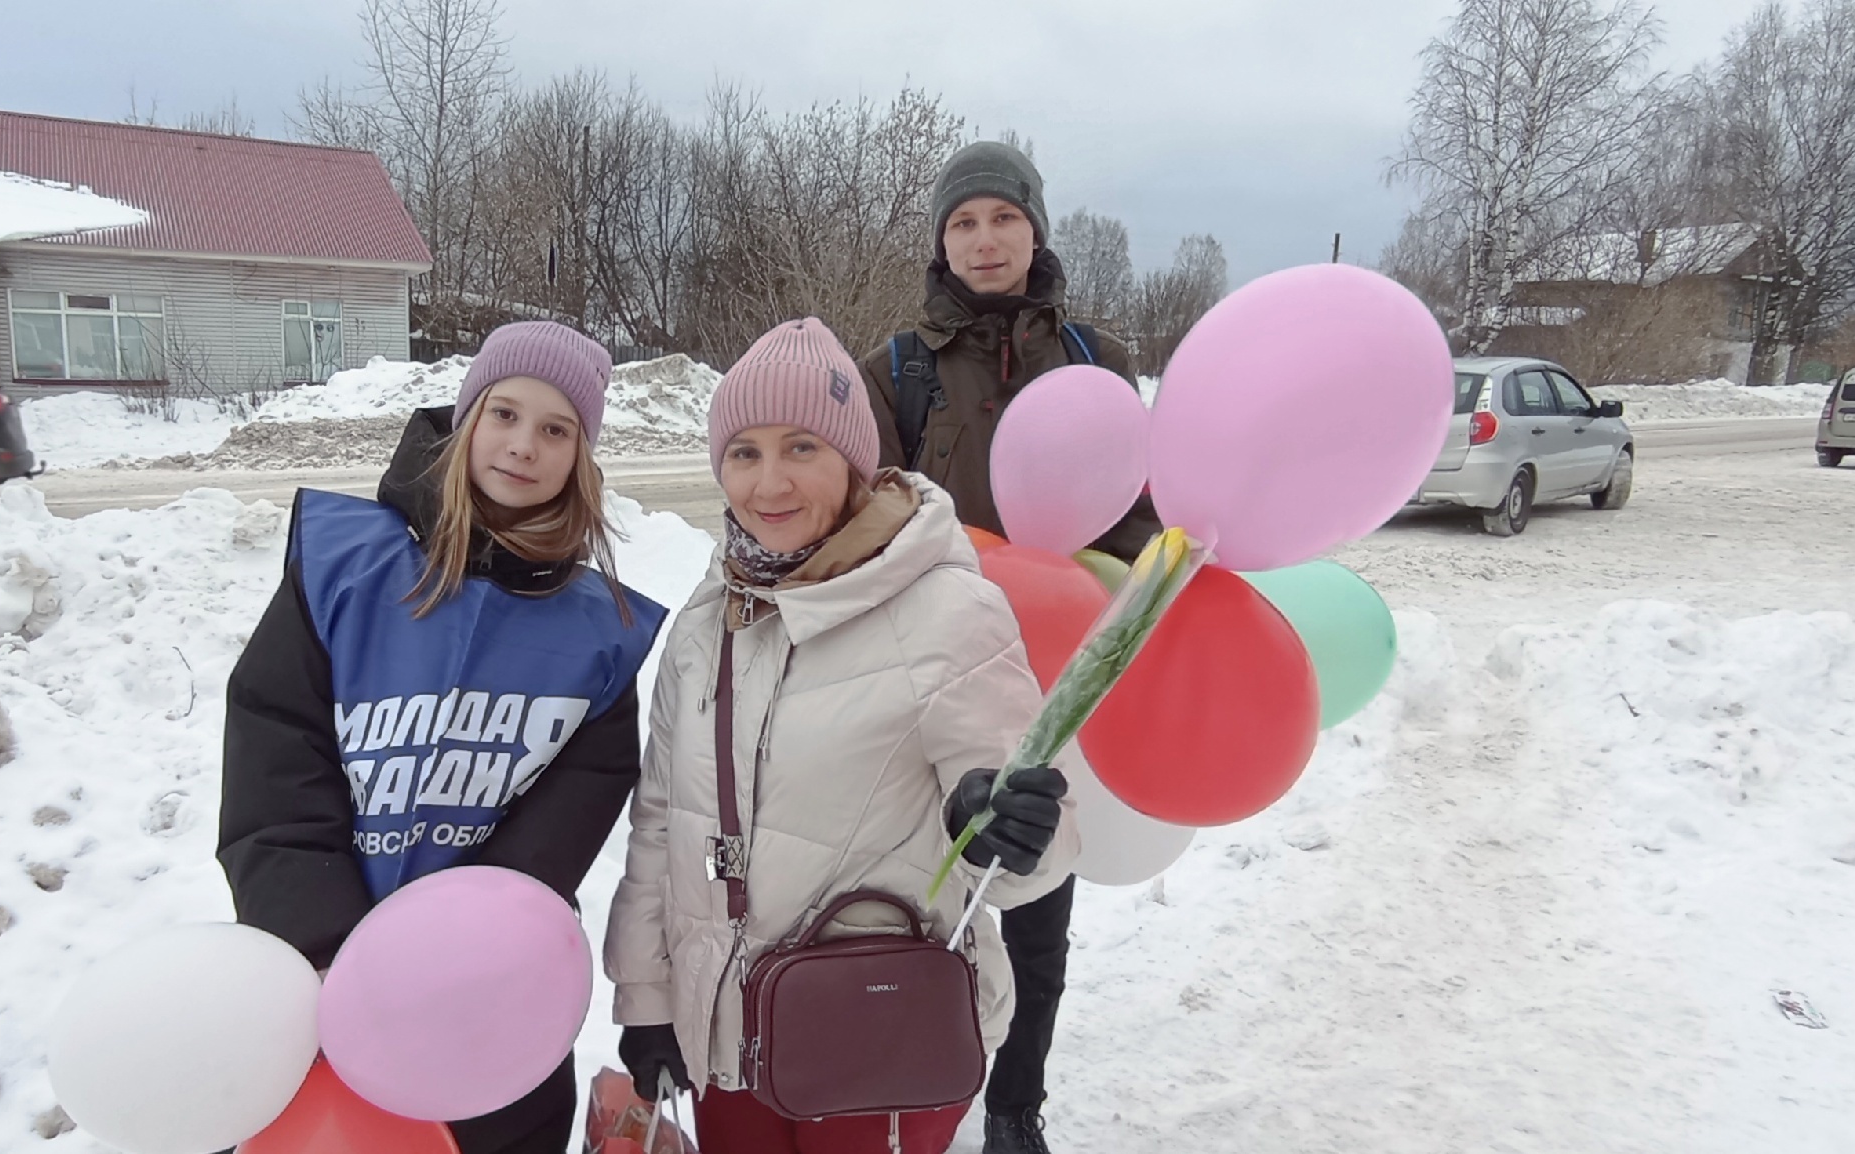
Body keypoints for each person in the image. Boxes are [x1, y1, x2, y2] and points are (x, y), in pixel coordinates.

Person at [604, 317, 1079, 1154]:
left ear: (856, 461)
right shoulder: (706, 623)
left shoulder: (946, 611)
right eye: (743, 451)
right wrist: (646, 1000)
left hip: (880, 1039)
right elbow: (660, 820)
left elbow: (1028, 857)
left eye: (802, 447)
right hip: (727, 1040)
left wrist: (1002, 829)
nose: (768, 481)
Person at [219, 321, 666, 1154]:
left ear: (581, 456)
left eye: (555, 429)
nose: (523, 445)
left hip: (481, 998)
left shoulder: (601, 633)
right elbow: (277, 751)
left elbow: (571, 812)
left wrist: (458, 962)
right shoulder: (344, 568)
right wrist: (324, 942)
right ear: (466, 420)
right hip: (312, 971)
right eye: (503, 413)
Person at [855, 140, 1160, 1154]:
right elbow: (860, 525)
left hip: (1054, 681)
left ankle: (1016, 1105)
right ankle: (899, 1088)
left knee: (1037, 912)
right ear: (941, 243)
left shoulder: (1094, 360)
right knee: (914, 898)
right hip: (928, 677)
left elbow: (1137, 515)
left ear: (1035, 228)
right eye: (962, 223)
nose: (984, 240)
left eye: (1002, 218)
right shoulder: (894, 367)